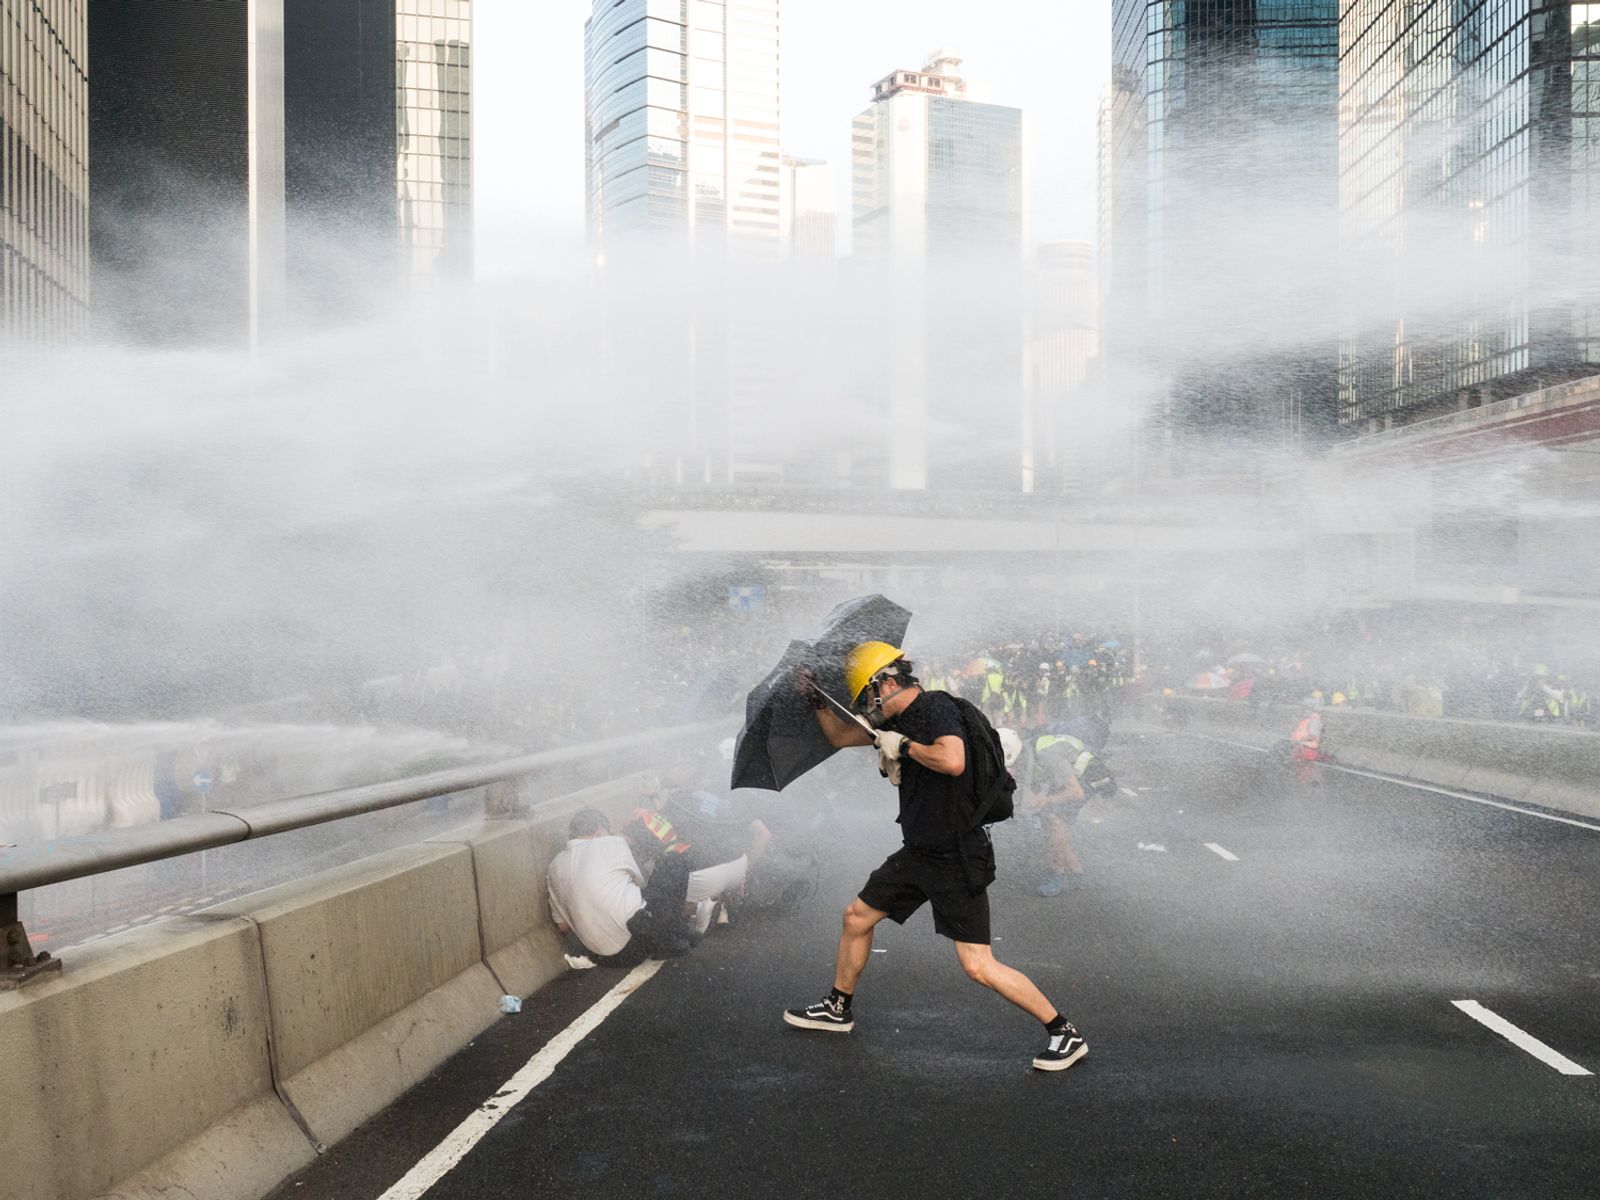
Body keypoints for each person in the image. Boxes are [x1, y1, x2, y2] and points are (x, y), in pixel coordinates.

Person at [782, 641, 1087, 1073]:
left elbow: (953, 759)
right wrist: (814, 695)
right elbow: (839, 735)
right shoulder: (899, 720)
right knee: (856, 917)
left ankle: (1064, 1033)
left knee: (978, 965)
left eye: (868, 695)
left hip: (955, 854)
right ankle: (838, 1007)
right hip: (920, 850)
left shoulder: (935, 707)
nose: (868, 705)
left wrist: (902, 746)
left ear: (886, 683)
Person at [547, 809, 693, 967]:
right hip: (636, 945)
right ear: (601, 831)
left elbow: (563, 927)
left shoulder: (553, 866)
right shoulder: (610, 843)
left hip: (601, 957)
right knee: (673, 860)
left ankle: (676, 931)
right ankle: (669, 936)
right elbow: (644, 887)